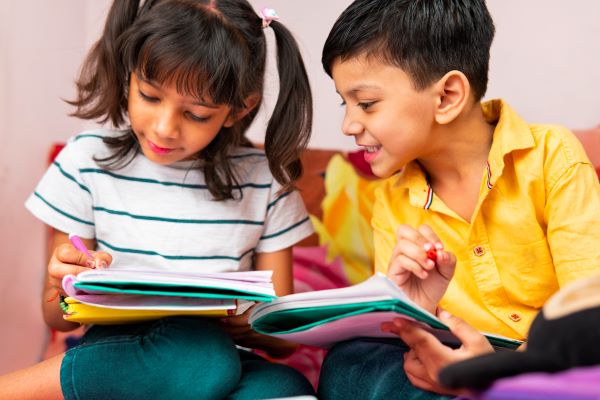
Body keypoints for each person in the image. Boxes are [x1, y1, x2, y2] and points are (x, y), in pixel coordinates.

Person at [0, 0, 317, 398]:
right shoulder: (86, 161)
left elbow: (282, 339)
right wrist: (63, 286)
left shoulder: (265, 182)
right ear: (128, 75)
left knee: (287, 387)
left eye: (197, 114)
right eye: (149, 96)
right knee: (200, 356)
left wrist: (253, 323)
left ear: (239, 110)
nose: (165, 129)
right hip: (126, 356)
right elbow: (59, 319)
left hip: (227, 357)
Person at [316, 0, 600, 398]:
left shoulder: (553, 156)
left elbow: (588, 315)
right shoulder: (391, 200)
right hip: (451, 357)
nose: (349, 124)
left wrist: (496, 369)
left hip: (548, 361)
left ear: (447, 96)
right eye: (343, 104)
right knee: (351, 361)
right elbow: (405, 336)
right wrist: (415, 309)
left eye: (365, 104)